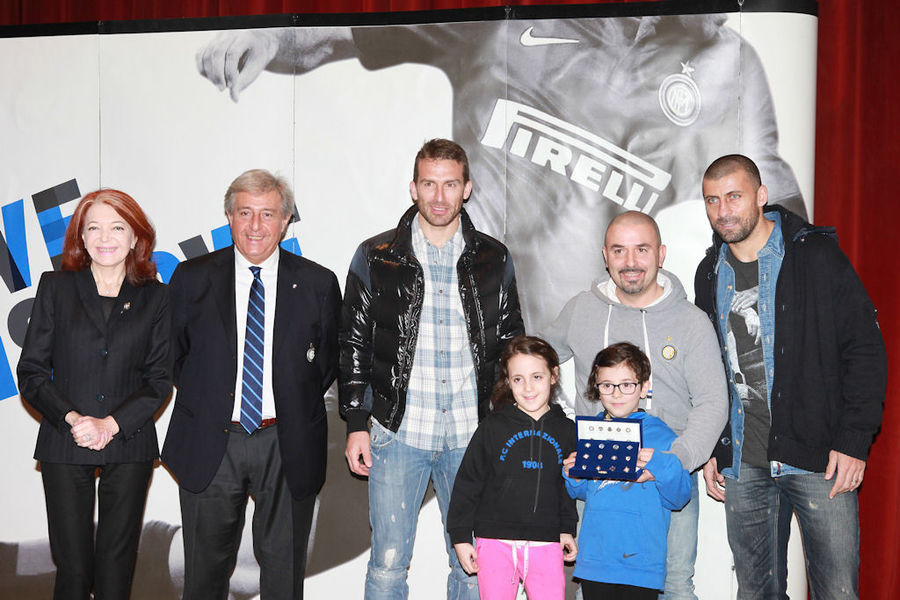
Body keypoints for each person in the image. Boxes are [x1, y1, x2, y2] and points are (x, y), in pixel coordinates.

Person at [194, 14, 807, 338]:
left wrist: (800, 298)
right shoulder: (508, 22)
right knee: (350, 514)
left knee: (570, 529)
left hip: (581, 356)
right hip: (459, 331)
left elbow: (776, 203)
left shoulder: (726, 64)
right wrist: (270, 36)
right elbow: (341, 38)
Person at [694, 154, 887, 599]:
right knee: (755, 593)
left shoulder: (813, 255)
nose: (723, 210)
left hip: (819, 456)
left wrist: (854, 440)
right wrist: (714, 444)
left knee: (837, 592)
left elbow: (864, 348)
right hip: (744, 462)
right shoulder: (710, 272)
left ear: (761, 195)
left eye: (734, 196)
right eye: (712, 200)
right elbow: (709, 369)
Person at [340, 138, 524, 599]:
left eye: (450, 184)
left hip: (471, 434)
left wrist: (506, 423)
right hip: (397, 432)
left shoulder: (494, 258)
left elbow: (511, 346)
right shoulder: (376, 255)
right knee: (387, 564)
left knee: (472, 566)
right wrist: (357, 422)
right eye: (429, 184)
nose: (439, 197)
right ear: (413, 188)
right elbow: (353, 343)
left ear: (467, 189)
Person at [161, 169, 341, 599]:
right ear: (229, 216)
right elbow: (174, 356)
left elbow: (326, 364)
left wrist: (287, 401)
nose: (255, 225)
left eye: (268, 214)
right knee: (202, 576)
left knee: (284, 576)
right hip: (211, 440)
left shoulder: (318, 283)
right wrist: (214, 400)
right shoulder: (191, 278)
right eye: (245, 213)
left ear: (286, 220)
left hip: (287, 442)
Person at [542, 210, 727, 597]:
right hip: (597, 476)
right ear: (605, 256)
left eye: (641, 249)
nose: (630, 262)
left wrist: (673, 462)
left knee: (675, 585)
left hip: (665, 476)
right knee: (590, 583)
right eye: (619, 250)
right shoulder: (581, 310)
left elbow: (713, 402)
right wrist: (560, 433)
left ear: (661, 254)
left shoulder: (691, 321)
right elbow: (537, 366)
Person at [17, 189, 172, 600]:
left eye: (118, 227)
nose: (106, 238)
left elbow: (159, 378)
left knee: (116, 568)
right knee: (73, 568)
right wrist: (73, 418)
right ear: (81, 237)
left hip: (129, 441)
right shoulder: (55, 287)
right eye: (94, 228)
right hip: (64, 440)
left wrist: (111, 424)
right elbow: (31, 372)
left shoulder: (157, 296)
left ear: (136, 237)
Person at [447, 335, 578, 600]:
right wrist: (460, 537)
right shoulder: (492, 427)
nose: (528, 387)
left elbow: (566, 487)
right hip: (494, 542)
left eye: (537, 377)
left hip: (546, 541)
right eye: (518, 379)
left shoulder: (567, 430)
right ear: (508, 381)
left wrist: (566, 529)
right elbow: (467, 483)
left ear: (553, 375)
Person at [563, 342, 691, 600]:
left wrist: (658, 464)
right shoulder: (592, 431)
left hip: (641, 564)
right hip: (596, 561)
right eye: (607, 385)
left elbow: (679, 498)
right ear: (597, 387)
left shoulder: (662, 435)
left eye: (627, 385)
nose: (616, 394)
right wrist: (572, 475)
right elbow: (585, 491)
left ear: (644, 387)